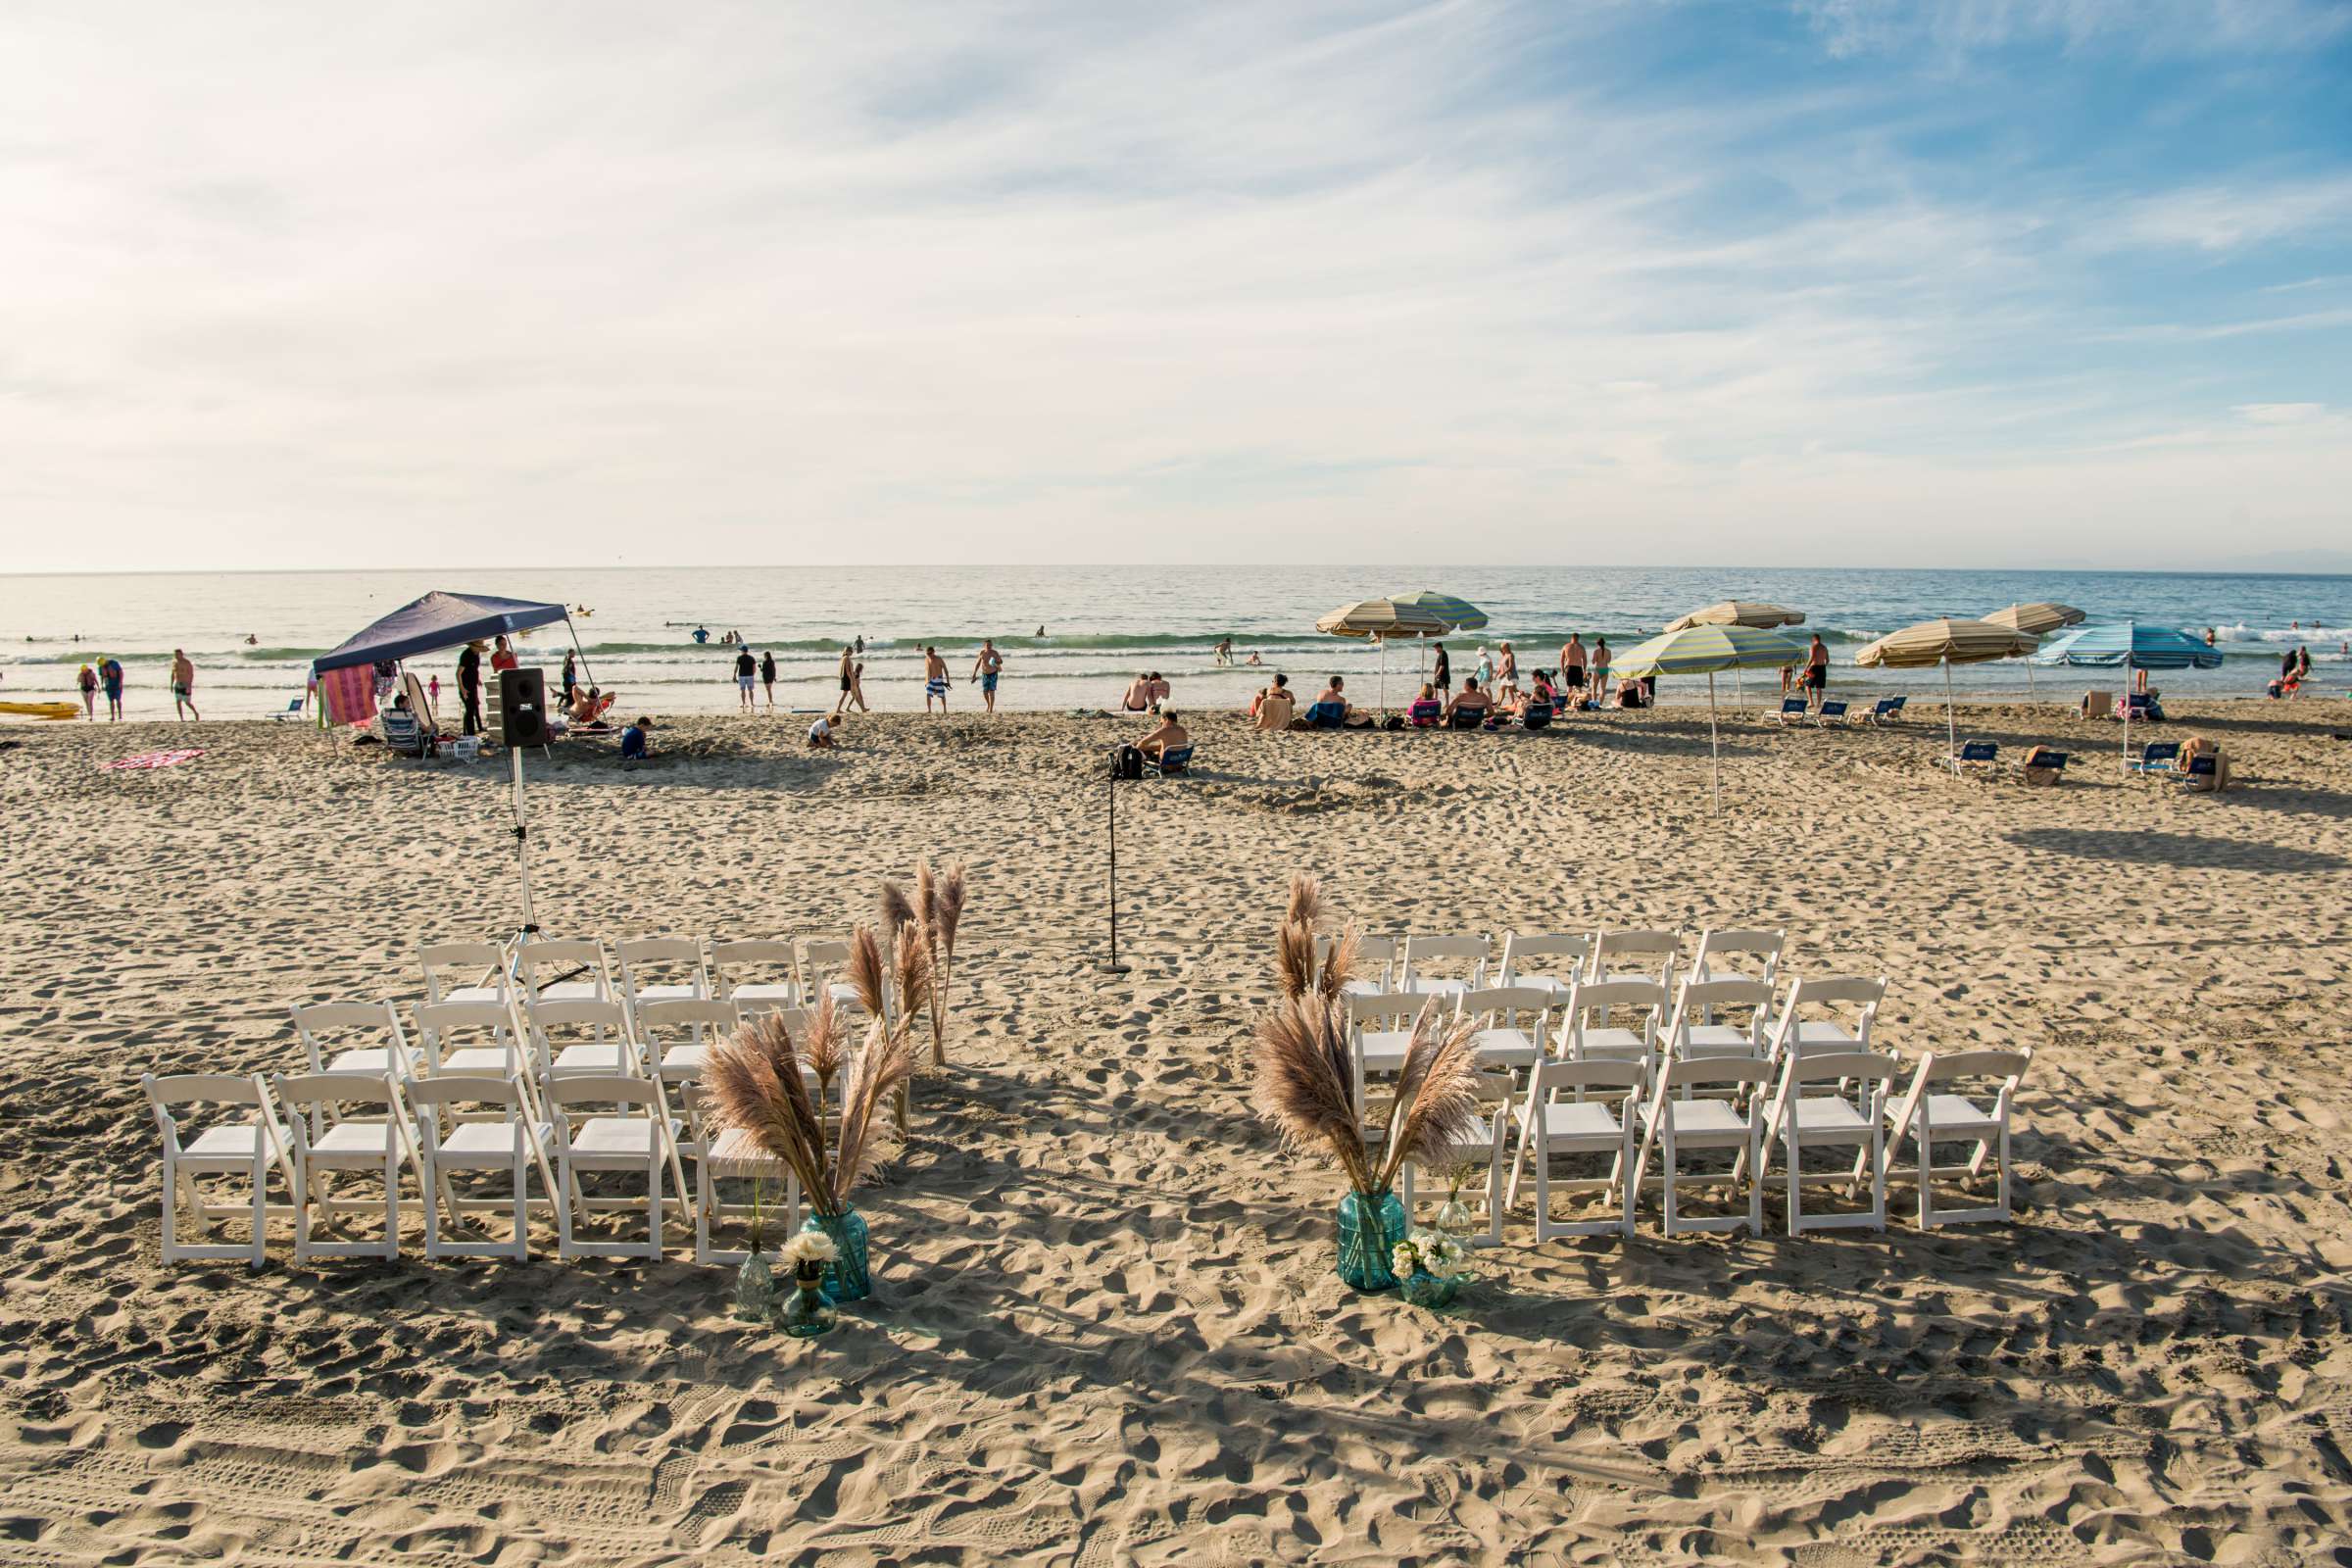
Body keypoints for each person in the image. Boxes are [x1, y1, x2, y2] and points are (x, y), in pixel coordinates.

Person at [458, 642, 483, 734]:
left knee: (474, 708)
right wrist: (462, 689)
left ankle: (468, 732)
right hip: (466, 687)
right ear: (472, 646)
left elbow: (474, 668)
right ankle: (471, 733)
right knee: (470, 710)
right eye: (478, 648)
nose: (479, 650)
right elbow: (458, 673)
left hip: (473, 686)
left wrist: (478, 679)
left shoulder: (477, 654)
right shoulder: (466, 655)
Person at [972, 639, 1004, 713]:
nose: (989, 646)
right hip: (985, 674)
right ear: (984, 646)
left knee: (991, 691)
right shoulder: (982, 653)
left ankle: (991, 709)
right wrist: (974, 673)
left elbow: (1001, 661)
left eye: (990, 645)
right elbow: (978, 663)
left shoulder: (995, 653)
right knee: (985, 692)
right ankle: (988, 705)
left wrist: (994, 662)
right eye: (987, 645)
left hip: (993, 674)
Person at [170, 649, 199, 720]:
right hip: (177, 684)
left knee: (187, 702)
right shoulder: (174, 662)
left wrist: (189, 685)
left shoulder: (187, 662)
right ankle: (181, 718)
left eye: (178, 654)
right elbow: (173, 674)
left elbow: (191, 674)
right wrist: (171, 684)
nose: (176, 656)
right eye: (175, 654)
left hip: (186, 684)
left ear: (182, 654)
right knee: (178, 701)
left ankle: (195, 713)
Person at [1804, 634, 1830, 706]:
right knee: (1819, 687)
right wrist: (1823, 666)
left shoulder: (1813, 646)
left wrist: (1806, 667)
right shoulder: (1824, 647)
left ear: (1813, 639)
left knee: (1807, 685)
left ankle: (1811, 702)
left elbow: (1811, 657)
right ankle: (1818, 704)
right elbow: (1827, 660)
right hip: (1822, 668)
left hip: (1814, 667)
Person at [923, 646, 950, 713]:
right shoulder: (927, 659)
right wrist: (926, 682)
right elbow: (927, 671)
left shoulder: (939, 659)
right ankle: (929, 710)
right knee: (928, 693)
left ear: (934, 652)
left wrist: (948, 682)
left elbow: (946, 670)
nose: (929, 655)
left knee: (942, 695)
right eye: (927, 653)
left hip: (938, 679)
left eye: (930, 653)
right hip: (931, 680)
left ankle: (945, 710)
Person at [1560, 634, 1587, 701]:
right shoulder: (1581, 647)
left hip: (1569, 668)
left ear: (1572, 638)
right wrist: (1584, 670)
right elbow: (1585, 660)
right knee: (1578, 688)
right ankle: (1578, 701)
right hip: (1578, 668)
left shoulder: (1566, 646)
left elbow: (1562, 660)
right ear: (1578, 638)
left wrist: (1562, 670)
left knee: (1569, 687)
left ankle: (1568, 701)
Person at [100, 655, 124, 721]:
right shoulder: (100, 667)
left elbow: (121, 673)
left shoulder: (114, 663)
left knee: (118, 700)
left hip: (117, 685)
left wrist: (120, 682)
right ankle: (112, 716)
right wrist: (102, 685)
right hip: (108, 686)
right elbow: (102, 676)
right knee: (111, 701)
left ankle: (120, 715)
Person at [1589, 637, 1610, 710]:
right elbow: (1608, 661)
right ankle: (1600, 704)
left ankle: (1594, 703)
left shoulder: (1596, 651)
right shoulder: (1608, 651)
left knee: (1594, 687)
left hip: (1598, 670)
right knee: (1603, 688)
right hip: (1605, 670)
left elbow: (1593, 662)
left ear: (1597, 644)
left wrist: (1594, 659)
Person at [834, 646, 857, 717]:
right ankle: (839, 709)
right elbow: (847, 671)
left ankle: (843, 708)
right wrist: (852, 679)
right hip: (847, 678)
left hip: (845, 677)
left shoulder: (845, 658)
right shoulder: (846, 658)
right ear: (848, 651)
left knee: (847, 694)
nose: (852, 652)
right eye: (851, 651)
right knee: (846, 694)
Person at [734, 646, 758, 710]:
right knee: (750, 690)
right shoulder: (751, 658)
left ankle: (744, 703)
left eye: (741, 650)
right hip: (750, 676)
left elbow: (736, 667)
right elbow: (754, 668)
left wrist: (734, 675)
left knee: (742, 690)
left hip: (741, 676)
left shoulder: (739, 658)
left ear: (742, 651)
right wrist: (752, 674)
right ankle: (752, 703)